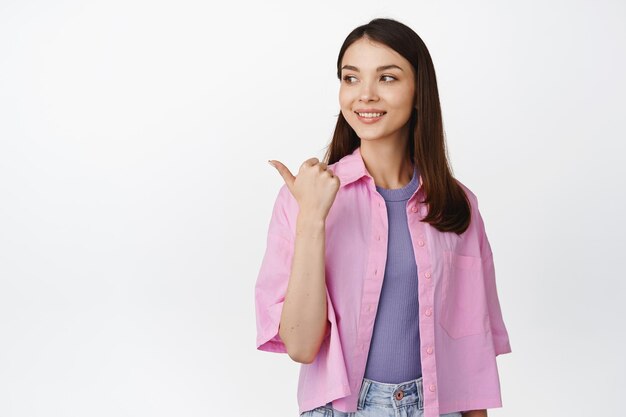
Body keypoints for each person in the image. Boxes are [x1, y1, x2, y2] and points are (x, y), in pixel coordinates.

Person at [255, 17, 512, 417]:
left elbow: (472, 353)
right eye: (351, 78)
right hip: (342, 409)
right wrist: (313, 221)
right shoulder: (305, 197)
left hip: (437, 406)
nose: (365, 95)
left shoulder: (457, 206)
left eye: (387, 78)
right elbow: (301, 347)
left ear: (418, 92)